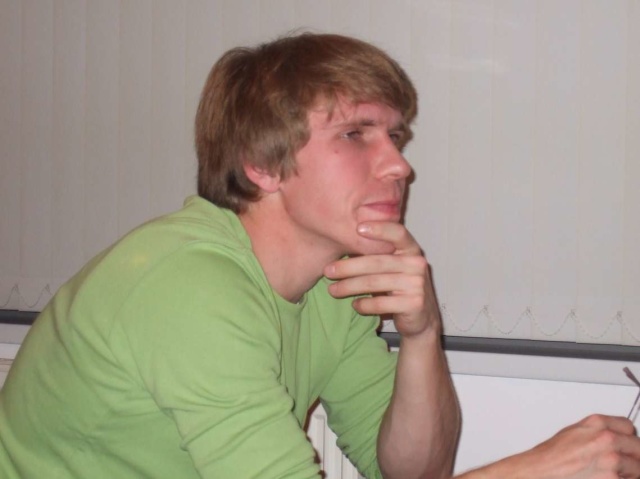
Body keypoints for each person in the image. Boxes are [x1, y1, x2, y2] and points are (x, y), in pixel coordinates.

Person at [0, 32, 638, 479]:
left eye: (395, 136)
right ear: (262, 164)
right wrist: (536, 471)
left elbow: (413, 472)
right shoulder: (186, 288)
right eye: (356, 134)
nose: (399, 165)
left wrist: (422, 333)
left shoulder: (333, 285)